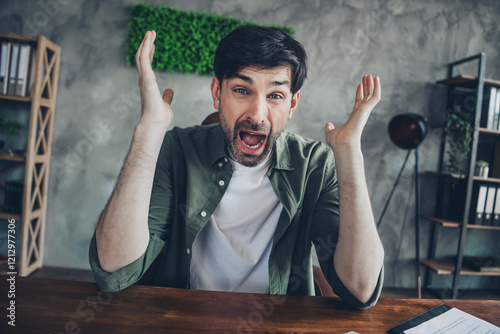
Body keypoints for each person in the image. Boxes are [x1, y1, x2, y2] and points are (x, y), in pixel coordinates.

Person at [89, 25, 384, 309]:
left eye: (275, 96)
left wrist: (349, 155)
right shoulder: (177, 148)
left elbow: (361, 290)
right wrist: (149, 131)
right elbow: (114, 270)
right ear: (218, 92)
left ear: (292, 105)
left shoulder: (315, 165)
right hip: (181, 321)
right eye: (242, 90)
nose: (257, 114)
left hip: (277, 323)